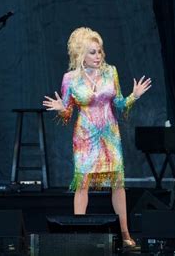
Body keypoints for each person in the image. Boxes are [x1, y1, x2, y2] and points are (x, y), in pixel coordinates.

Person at [43, 27, 152, 248]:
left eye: (100, 51)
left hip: (110, 136)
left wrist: (134, 96)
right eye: (93, 52)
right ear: (80, 54)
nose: (98, 56)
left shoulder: (111, 72)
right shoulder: (70, 79)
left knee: (118, 184)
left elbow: (119, 103)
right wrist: (60, 108)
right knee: (82, 185)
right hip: (85, 138)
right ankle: (78, 234)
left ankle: (125, 233)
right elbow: (67, 111)